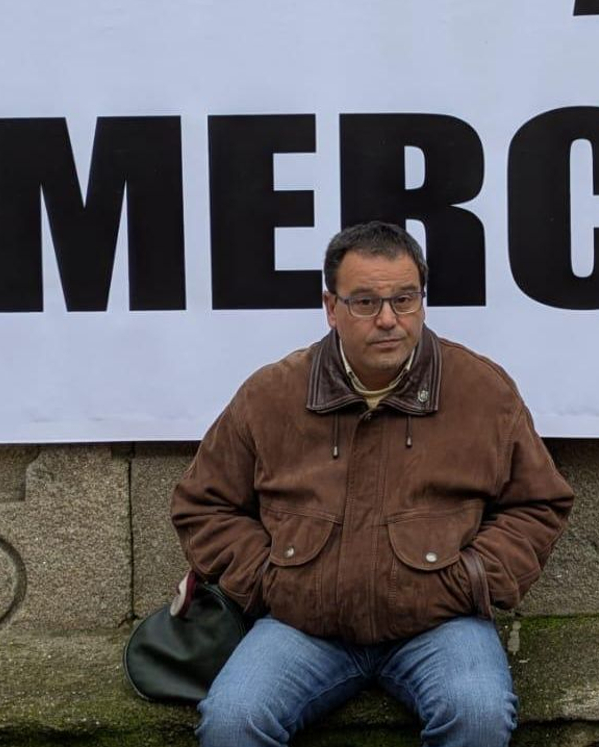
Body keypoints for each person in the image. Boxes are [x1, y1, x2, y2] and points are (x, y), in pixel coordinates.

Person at [171, 221, 574, 746]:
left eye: (404, 299)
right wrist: (272, 582)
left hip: (439, 625)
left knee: (477, 714)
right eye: (364, 302)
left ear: (422, 301)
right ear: (331, 307)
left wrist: (471, 579)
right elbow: (204, 504)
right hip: (302, 628)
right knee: (231, 721)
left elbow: (539, 504)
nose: (388, 319)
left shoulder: (482, 391)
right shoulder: (271, 394)